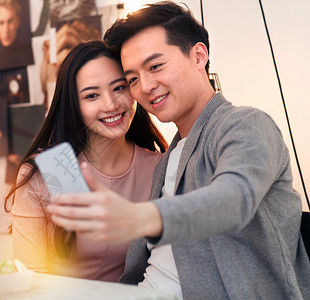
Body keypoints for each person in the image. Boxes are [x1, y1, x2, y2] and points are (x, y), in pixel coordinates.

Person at [47, 2, 310, 299]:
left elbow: (234, 198)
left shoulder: (245, 124)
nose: (145, 86)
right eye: (132, 78)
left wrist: (140, 217)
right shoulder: (168, 159)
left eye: (156, 66)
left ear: (199, 56)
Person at [6, 40, 168, 282]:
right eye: (92, 95)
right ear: (74, 105)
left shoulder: (161, 167)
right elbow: (29, 278)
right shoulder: (45, 171)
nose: (111, 104)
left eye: (119, 88)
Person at [0, 0, 33, 70]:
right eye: (1, 23)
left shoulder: (28, 54)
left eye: (10, 21)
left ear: (18, 21)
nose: (6, 30)